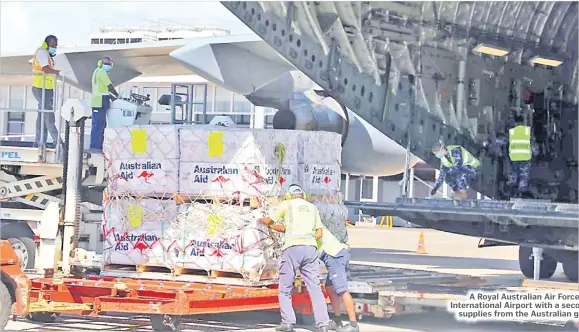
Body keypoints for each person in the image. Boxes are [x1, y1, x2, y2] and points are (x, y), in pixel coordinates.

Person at [258, 184, 330, 332]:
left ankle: (288, 323)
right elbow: (319, 232)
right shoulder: (312, 208)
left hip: (292, 249)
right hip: (310, 249)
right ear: (302, 194)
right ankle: (323, 324)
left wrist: (259, 221)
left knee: (285, 288)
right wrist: (308, 241)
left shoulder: (286, 205)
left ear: (289, 195)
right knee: (315, 288)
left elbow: (270, 221)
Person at [317, 224, 358, 332]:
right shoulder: (312, 221)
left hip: (335, 256)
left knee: (342, 290)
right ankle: (337, 320)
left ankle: (354, 325)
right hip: (335, 254)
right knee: (329, 287)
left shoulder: (311, 224)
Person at [486, 116, 537, 198]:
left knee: (513, 174)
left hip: (514, 157)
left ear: (515, 123)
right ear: (523, 122)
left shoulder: (512, 132)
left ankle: (512, 189)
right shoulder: (528, 132)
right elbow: (533, 145)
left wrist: (490, 143)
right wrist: (535, 152)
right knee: (524, 175)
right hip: (525, 157)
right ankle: (522, 189)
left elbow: (503, 141)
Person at [31, 35, 63, 150]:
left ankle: (39, 142)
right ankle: (58, 142)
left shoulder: (47, 55)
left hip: (47, 89)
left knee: (42, 117)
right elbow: (45, 69)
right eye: (53, 45)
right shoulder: (42, 53)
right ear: (46, 44)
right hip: (40, 89)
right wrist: (57, 72)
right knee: (49, 116)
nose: (55, 47)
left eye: (56, 45)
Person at [89, 56, 119, 153]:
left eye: (109, 64)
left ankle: (97, 147)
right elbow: (109, 86)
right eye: (106, 63)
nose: (108, 65)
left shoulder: (97, 71)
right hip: (99, 101)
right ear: (101, 63)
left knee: (100, 125)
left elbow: (103, 89)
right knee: (98, 126)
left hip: (100, 100)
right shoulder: (102, 72)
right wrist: (117, 95)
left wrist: (111, 96)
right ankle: (95, 148)